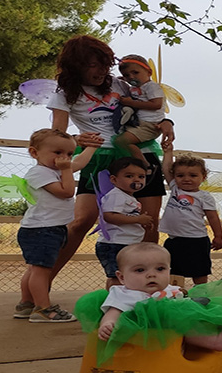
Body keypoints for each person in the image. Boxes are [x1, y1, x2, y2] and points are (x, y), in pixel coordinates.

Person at [46, 35, 174, 286]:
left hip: (139, 154)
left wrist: (167, 121)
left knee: (148, 221)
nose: (101, 71)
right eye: (93, 65)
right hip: (96, 157)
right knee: (82, 220)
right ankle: (41, 284)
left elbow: (150, 108)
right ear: (76, 65)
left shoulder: (121, 84)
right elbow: (57, 134)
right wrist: (76, 137)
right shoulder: (64, 95)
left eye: (105, 64)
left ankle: (147, 289)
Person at [75, 243, 222, 366]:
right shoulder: (125, 294)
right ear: (121, 277)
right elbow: (114, 310)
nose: (151, 275)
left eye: (160, 269)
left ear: (169, 270)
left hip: (177, 322)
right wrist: (109, 323)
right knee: (181, 323)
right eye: (140, 270)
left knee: (210, 309)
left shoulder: (168, 288)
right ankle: (214, 341)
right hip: (151, 330)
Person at [15, 129, 98, 322]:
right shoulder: (38, 173)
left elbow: (79, 163)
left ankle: (26, 304)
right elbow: (67, 191)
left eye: (69, 153)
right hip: (42, 230)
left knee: (36, 269)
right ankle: (43, 309)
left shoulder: (54, 170)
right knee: (41, 271)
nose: (65, 158)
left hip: (50, 228)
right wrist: (67, 169)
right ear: (35, 153)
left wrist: (91, 148)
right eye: (58, 153)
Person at [159, 142, 222, 285]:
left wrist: (219, 236)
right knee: (172, 273)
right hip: (174, 240)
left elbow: (213, 217)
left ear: (203, 176)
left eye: (193, 175)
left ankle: (201, 296)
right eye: (180, 175)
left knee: (199, 273)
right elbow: (166, 168)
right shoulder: (175, 188)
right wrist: (168, 152)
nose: (186, 179)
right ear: (174, 177)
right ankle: (174, 297)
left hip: (197, 241)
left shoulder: (204, 196)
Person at [96, 158, 154, 289]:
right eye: (129, 176)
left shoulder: (129, 197)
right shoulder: (116, 195)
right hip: (115, 244)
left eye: (141, 176)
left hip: (126, 243)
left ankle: (117, 301)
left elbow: (127, 217)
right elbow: (109, 216)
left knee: (123, 276)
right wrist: (138, 220)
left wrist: (141, 222)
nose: (136, 180)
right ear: (113, 179)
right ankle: (114, 303)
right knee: (117, 278)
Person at [112, 55, 165, 172]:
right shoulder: (136, 87)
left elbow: (156, 104)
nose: (131, 77)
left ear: (149, 72)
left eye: (135, 72)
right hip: (140, 123)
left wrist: (132, 103)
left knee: (121, 141)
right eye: (127, 75)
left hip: (149, 124)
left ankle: (144, 165)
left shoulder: (151, 87)